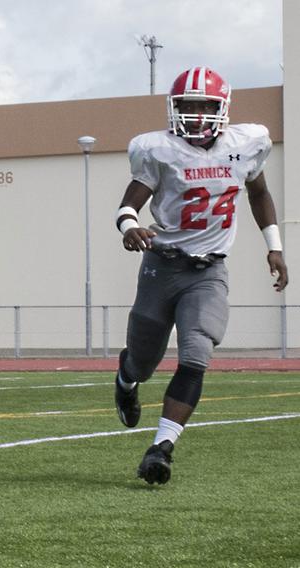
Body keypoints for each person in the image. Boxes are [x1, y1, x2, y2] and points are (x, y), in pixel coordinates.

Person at [113, 66, 288, 485]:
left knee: (197, 354)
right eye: (187, 105)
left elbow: (259, 192)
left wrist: (275, 246)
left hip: (208, 269)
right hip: (161, 266)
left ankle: (161, 448)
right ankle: (126, 377)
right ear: (173, 108)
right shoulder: (158, 150)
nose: (194, 113)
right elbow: (128, 205)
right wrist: (129, 226)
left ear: (221, 108)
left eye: (203, 105)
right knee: (145, 358)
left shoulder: (243, 147)